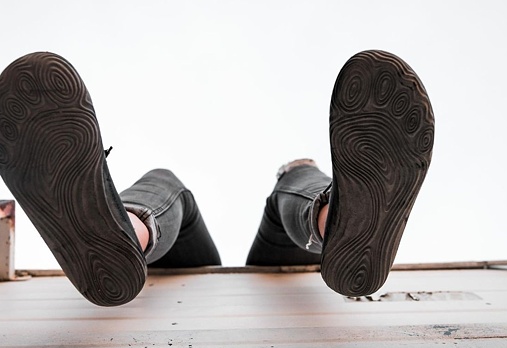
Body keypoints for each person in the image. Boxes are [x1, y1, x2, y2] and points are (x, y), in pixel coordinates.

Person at [0, 50, 434, 307]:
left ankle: (127, 230)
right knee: (294, 174)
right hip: (294, 254)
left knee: (165, 180)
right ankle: (331, 219)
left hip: (180, 258)